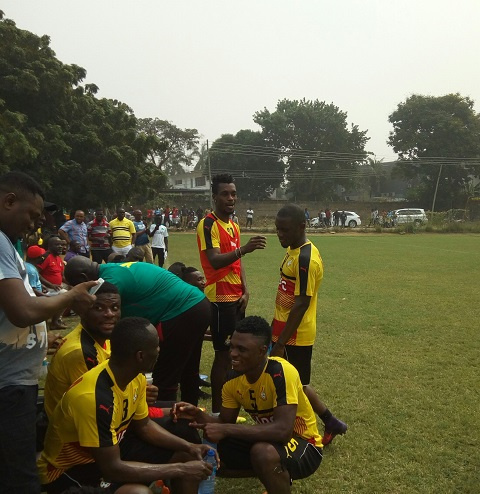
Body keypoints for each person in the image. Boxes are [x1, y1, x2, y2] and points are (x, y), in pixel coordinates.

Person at [38, 317, 215, 493]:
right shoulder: (94, 397)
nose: (159, 350)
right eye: (156, 346)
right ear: (140, 356)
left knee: (187, 457)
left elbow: (144, 426)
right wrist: (180, 469)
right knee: (138, 492)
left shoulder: (134, 377)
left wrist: (189, 446)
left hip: (105, 457)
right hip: (70, 472)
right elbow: (112, 468)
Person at [0, 171, 96, 494]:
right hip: (7, 387)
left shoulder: (8, 245)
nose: (35, 225)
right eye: (32, 215)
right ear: (8, 201)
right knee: (19, 478)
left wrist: (60, 299)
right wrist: (70, 297)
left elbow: (25, 300)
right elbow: (21, 310)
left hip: (16, 382)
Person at [173, 316, 323, 494]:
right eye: (232, 346)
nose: (233, 354)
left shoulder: (281, 372)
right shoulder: (232, 378)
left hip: (305, 445)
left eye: (242, 349)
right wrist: (198, 414)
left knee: (263, 453)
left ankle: (274, 472)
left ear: (262, 351)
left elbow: (283, 432)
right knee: (196, 453)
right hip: (268, 442)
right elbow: (224, 421)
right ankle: (269, 471)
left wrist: (228, 430)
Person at [64, 257, 210, 406]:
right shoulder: (113, 268)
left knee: (166, 375)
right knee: (189, 370)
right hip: (199, 304)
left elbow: (97, 319)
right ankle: (189, 417)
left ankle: (166, 418)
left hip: (181, 311)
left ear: (83, 278)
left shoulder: (110, 280)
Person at [271, 204, 347, 445]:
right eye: (278, 230)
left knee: (294, 385)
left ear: (302, 226)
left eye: (285, 230)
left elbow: (302, 303)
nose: (280, 235)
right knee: (294, 383)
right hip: (282, 328)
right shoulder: (293, 250)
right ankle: (329, 422)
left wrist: (282, 341)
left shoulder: (306, 258)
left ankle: (310, 430)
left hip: (295, 334)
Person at [196, 173, 266, 413]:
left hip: (237, 298)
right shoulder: (208, 224)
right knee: (223, 355)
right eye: (225, 194)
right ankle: (217, 413)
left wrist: (246, 290)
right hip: (219, 299)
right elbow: (214, 260)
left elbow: (238, 263)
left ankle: (228, 412)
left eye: (233, 193)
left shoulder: (234, 225)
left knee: (236, 355)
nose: (230, 198)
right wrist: (244, 249)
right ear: (214, 196)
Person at [36, 235, 69, 329]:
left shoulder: (58, 259)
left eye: (61, 245)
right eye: (57, 244)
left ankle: (58, 319)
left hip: (57, 287)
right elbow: (36, 273)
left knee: (70, 291)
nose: (60, 247)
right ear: (50, 247)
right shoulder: (46, 257)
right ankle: (55, 322)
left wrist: (73, 284)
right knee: (65, 295)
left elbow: (62, 276)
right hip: (46, 289)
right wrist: (49, 284)